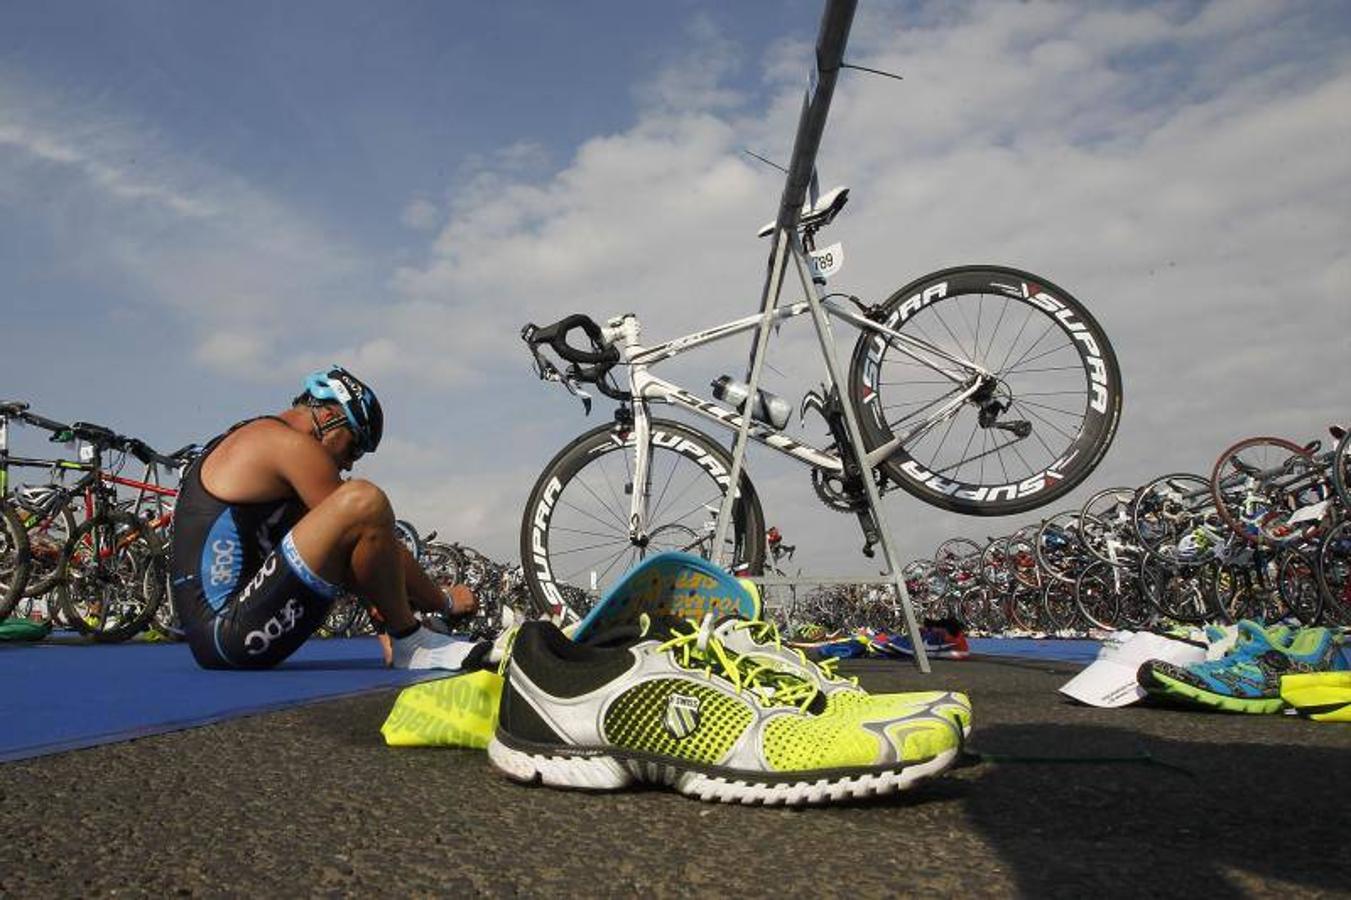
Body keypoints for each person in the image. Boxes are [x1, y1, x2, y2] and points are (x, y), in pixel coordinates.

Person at [169, 365, 479, 670]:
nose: (349, 464)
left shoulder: (252, 436)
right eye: (354, 446)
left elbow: (356, 551)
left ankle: (401, 633)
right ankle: (412, 644)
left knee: (350, 519)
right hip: (229, 634)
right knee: (363, 500)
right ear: (330, 417)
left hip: (220, 639)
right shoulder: (289, 445)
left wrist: (382, 615)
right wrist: (444, 601)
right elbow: (367, 524)